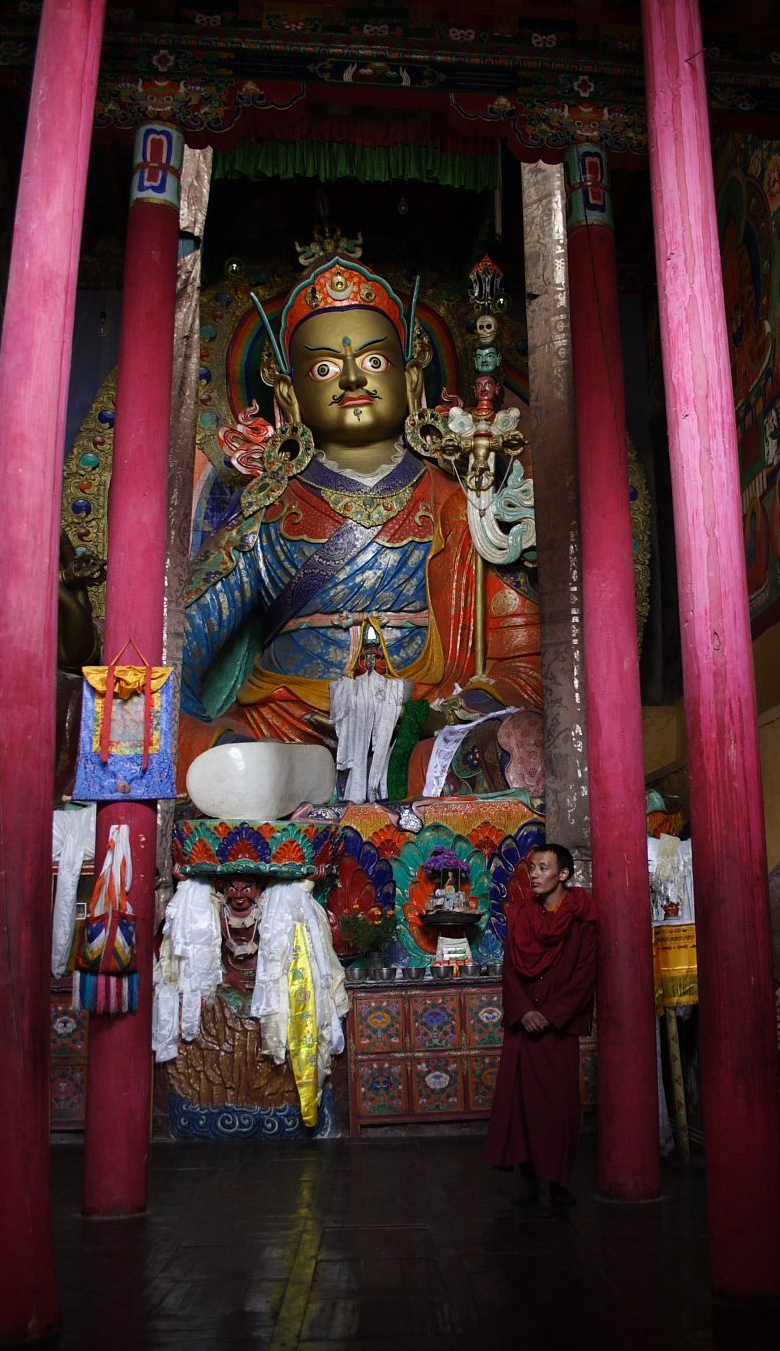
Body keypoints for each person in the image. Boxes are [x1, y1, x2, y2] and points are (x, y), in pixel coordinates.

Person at [180, 255, 541, 796]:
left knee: (526, 748)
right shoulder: (268, 512)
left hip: (425, 734)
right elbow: (176, 647)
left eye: (373, 362)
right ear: (289, 393)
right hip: (284, 732)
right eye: (323, 369)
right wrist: (196, 736)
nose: (352, 378)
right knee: (227, 766)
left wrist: (447, 714)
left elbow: (526, 662)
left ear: (410, 375)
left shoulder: (462, 504)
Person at [483, 843, 598, 1206]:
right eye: (532, 867)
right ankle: (529, 1177)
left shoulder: (583, 918)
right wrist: (524, 1011)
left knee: (558, 1107)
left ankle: (559, 1181)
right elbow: (511, 969)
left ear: (563, 874)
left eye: (543, 868)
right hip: (523, 1026)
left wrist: (549, 1014)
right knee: (520, 1104)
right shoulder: (522, 915)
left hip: (557, 1029)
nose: (533, 874)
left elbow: (584, 975)